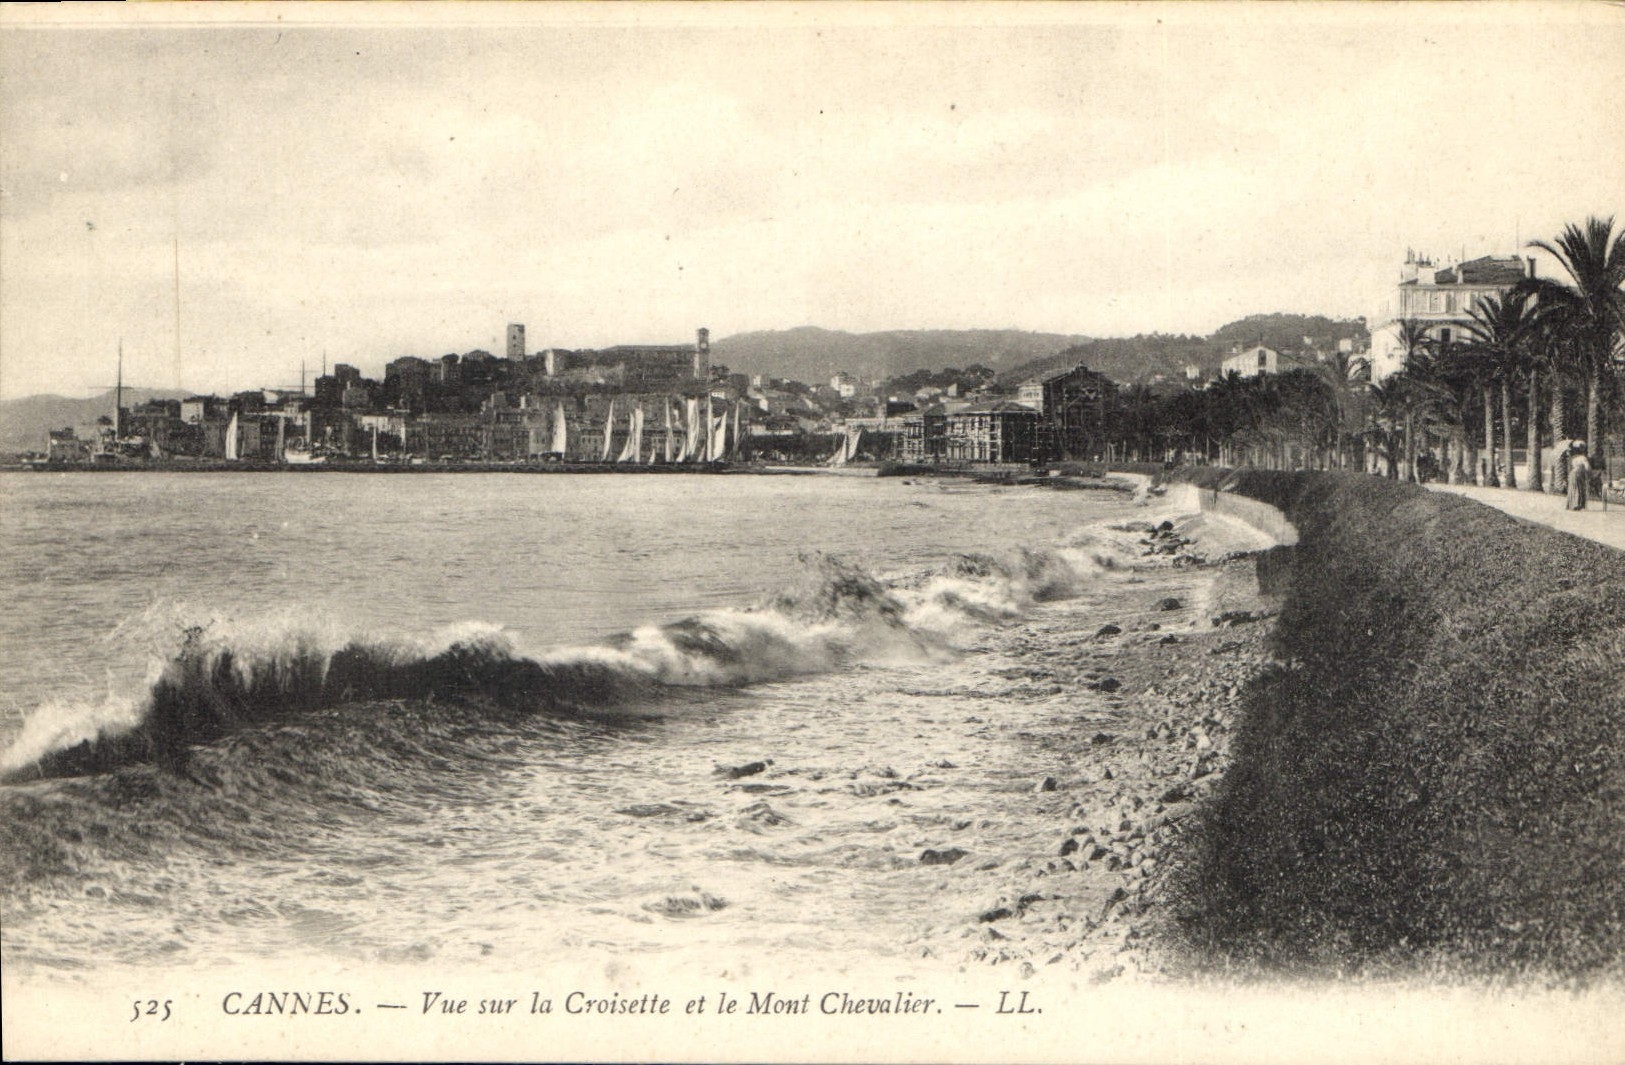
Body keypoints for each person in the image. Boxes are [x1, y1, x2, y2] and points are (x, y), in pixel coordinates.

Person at [1566, 441, 1591, 510]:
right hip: (1579, 474)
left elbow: (1570, 467)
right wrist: (1588, 473)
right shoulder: (1583, 458)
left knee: (1573, 488)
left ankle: (1571, 505)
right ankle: (1577, 505)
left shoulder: (1573, 458)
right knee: (1579, 488)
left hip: (1572, 473)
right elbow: (1587, 467)